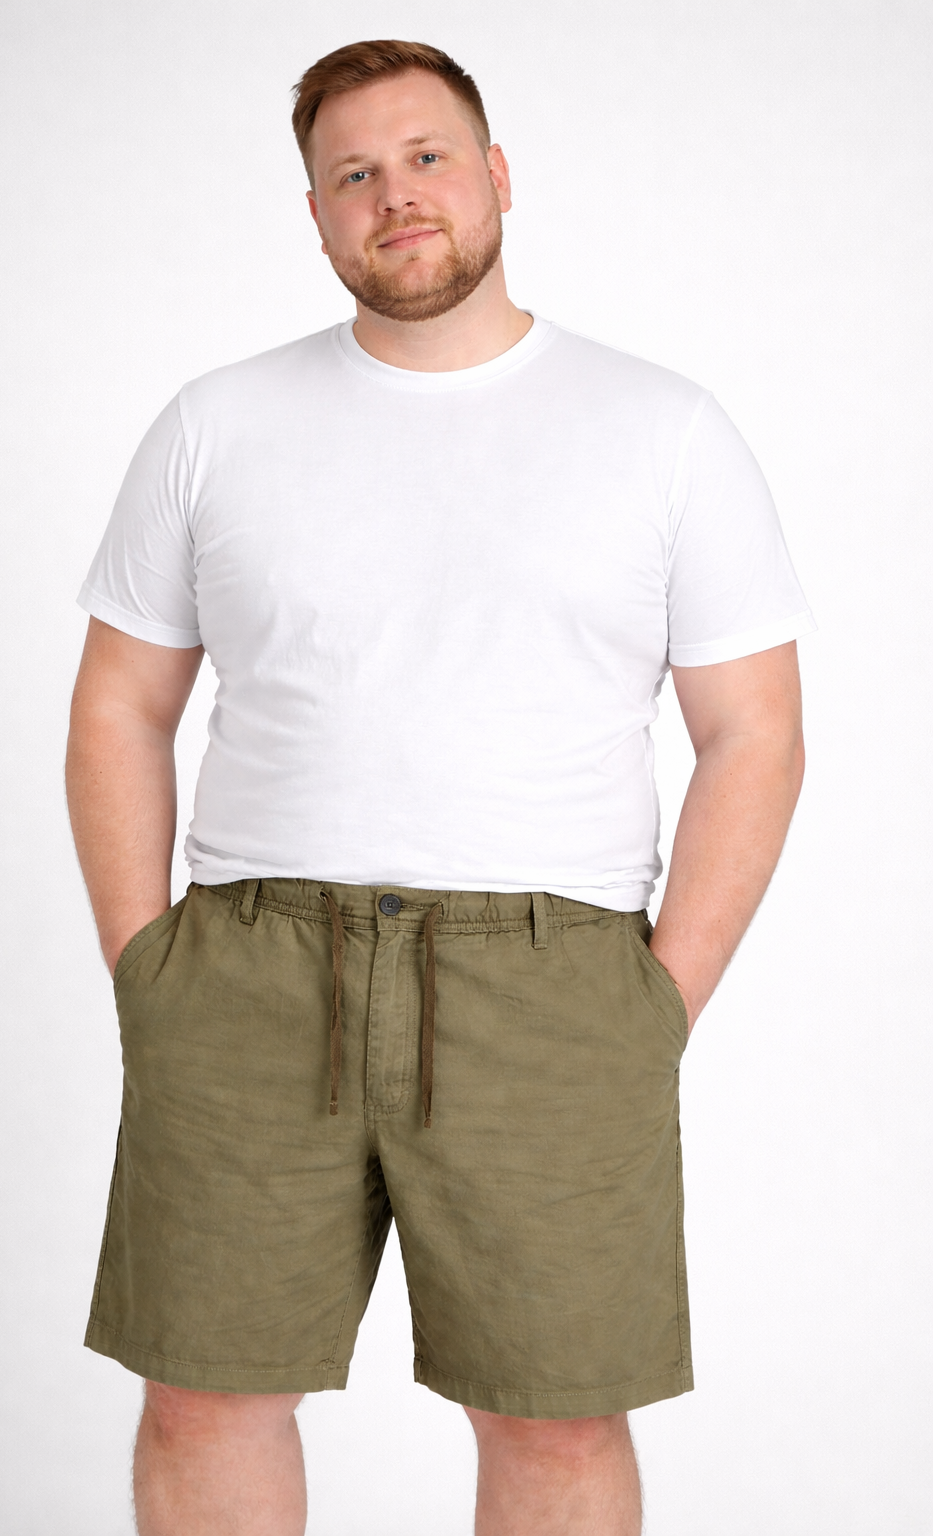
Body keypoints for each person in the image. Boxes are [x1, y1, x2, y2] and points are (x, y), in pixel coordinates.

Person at [66, 38, 813, 1536]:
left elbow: (756, 735)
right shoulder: (216, 423)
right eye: (353, 173)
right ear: (316, 215)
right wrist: (149, 964)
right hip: (251, 970)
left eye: (426, 157)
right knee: (203, 1394)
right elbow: (120, 704)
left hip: (551, 982)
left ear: (497, 177)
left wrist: (655, 1003)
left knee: (555, 1416)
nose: (395, 194)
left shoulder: (663, 428)